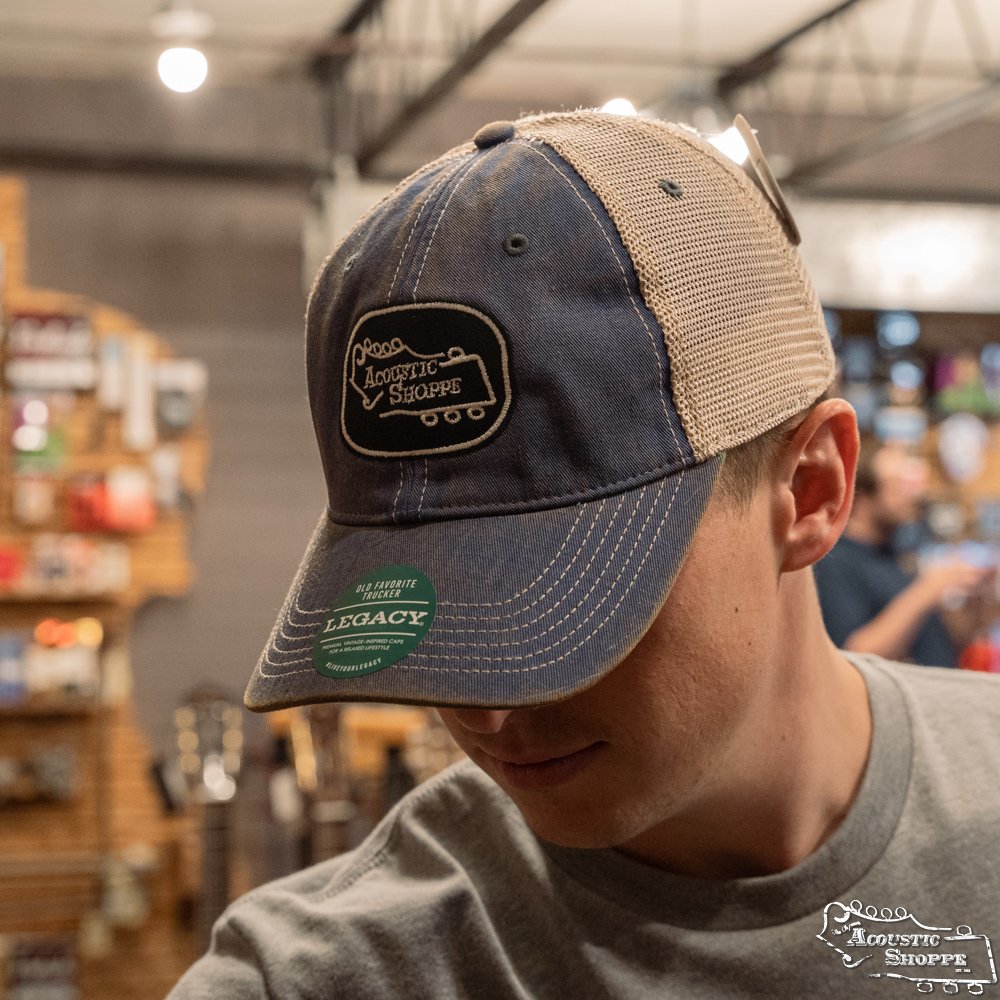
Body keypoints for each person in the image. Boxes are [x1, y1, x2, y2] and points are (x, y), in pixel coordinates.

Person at [168, 111, 1000, 998]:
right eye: (436, 611)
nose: (484, 713)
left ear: (812, 491)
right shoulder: (326, 975)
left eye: (566, 603)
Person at [814, 435, 993, 666]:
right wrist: (929, 588)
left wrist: (979, 599)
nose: (913, 495)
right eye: (898, 485)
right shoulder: (834, 561)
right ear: (861, 495)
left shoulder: (896, 553)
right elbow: (855, 655)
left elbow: (946, 641)